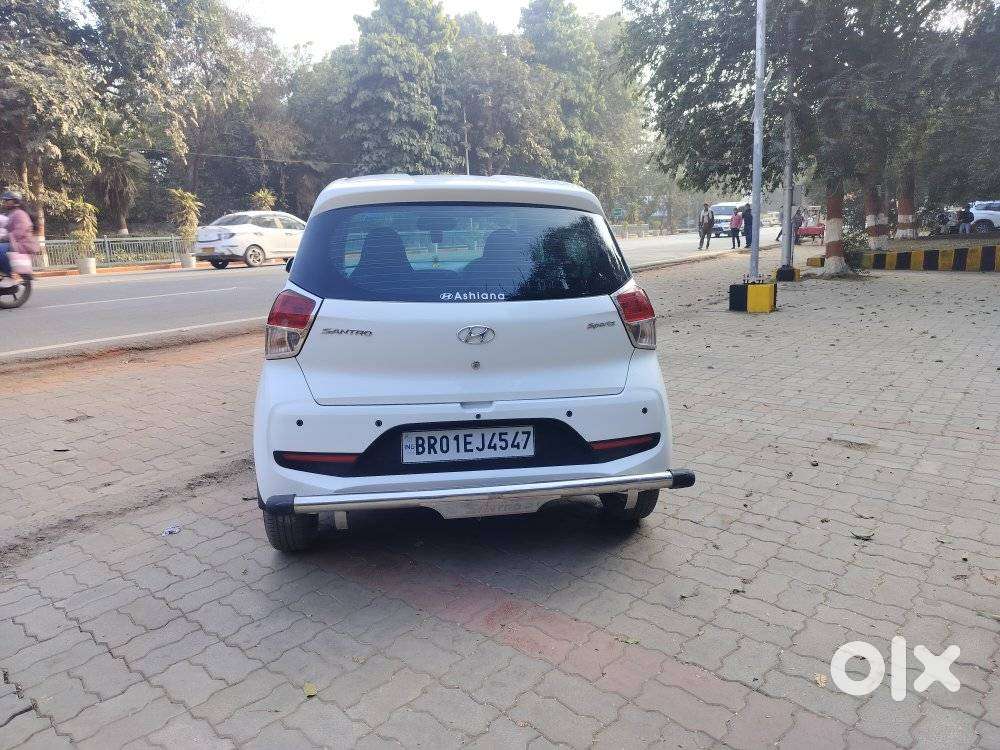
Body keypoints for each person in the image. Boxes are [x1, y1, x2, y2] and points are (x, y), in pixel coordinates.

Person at [1, 191, 40, 286]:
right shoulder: (11, 214)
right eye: (5, 200)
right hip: (15, 242)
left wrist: (6, 237)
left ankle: (10, 275)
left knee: (0, 250)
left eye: (7, 200)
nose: (5, 202)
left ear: (15, 201)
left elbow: (21, 230)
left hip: (22, 244)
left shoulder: (20, 213)